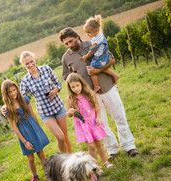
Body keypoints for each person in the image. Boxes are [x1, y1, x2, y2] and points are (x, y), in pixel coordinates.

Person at [59, 27, 138, 160]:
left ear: (77, 37)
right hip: (89, 96)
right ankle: (112, 150)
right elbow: (66, 77)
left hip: (107, 87)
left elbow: (112, 59)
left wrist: (97, 70)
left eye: (71, 41)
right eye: (66, 44)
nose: (69, 45)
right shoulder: (66, 58)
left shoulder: (92, 45)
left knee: (120, 117)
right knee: (101, 123)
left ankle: (129, 146)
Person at [2, 51, 72, 153]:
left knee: (65, 137)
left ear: (35, 60)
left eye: (31, 61)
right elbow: (17, 96)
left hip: (58, 107)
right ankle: (65, 161)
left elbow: (58, 83)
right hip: (45, 112)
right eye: (27, 63)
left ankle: (72, 160)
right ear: (23, 65)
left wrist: (55, 91)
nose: (30, 65)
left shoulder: (46, 69)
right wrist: (5, 105)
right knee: (60, 137)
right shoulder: (25, 81)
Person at [1, 79, 50, 181]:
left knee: (41, 153)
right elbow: (14, 126)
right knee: (30, 158)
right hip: (23, 132)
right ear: (6, 94)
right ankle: (35, 176)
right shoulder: (8, 109)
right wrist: (24, 141)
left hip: (33, 127)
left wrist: (39, 130)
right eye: (10, 92)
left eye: (14, 90)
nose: (13, 93)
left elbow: (33, 115)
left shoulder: (25, 99)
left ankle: (47, 173)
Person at [66, 73, 114, 169]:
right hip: (83, 125)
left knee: (98, 143)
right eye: (73, 87)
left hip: (93, 122)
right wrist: (70, 112)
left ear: (81, 84)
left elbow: (97, 106)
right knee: (91, 146)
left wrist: (98, 117)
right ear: (69, 88)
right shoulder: (70, 99)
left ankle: (105, 162)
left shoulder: (89, 93)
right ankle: (96, 166)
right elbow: (69, 115)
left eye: (77, 85)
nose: (76, 89)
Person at [82, 15, 120, 93]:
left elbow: (92, 51)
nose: (88, 35)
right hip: (105, 56)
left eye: (89, 33)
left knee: (91, 71)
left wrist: (86, 56)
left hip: (99, 58)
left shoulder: (95, 41)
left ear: (95, 30)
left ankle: (96, 86)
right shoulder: (101, 35)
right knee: (101, 68)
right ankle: (115, 76)